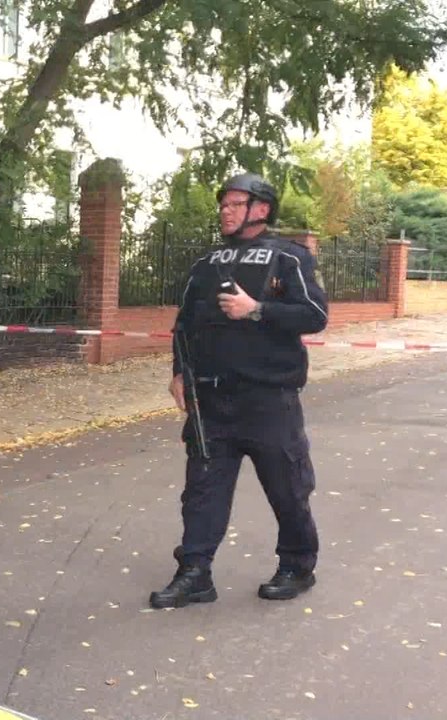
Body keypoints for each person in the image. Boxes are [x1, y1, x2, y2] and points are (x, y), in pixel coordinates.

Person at [150, 172, 329, 609]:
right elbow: (185, 323)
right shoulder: (207, 263)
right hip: (212, 401)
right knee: (202, 491)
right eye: (224, 205)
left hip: (269, 399)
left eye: (235, 204)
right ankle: (194, 573)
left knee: (287, 488)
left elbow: (314, 314)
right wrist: (179, 372)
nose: (225, 211)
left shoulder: (289, 258)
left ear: (261, 209)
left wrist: (257, 310)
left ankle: (297, 565)